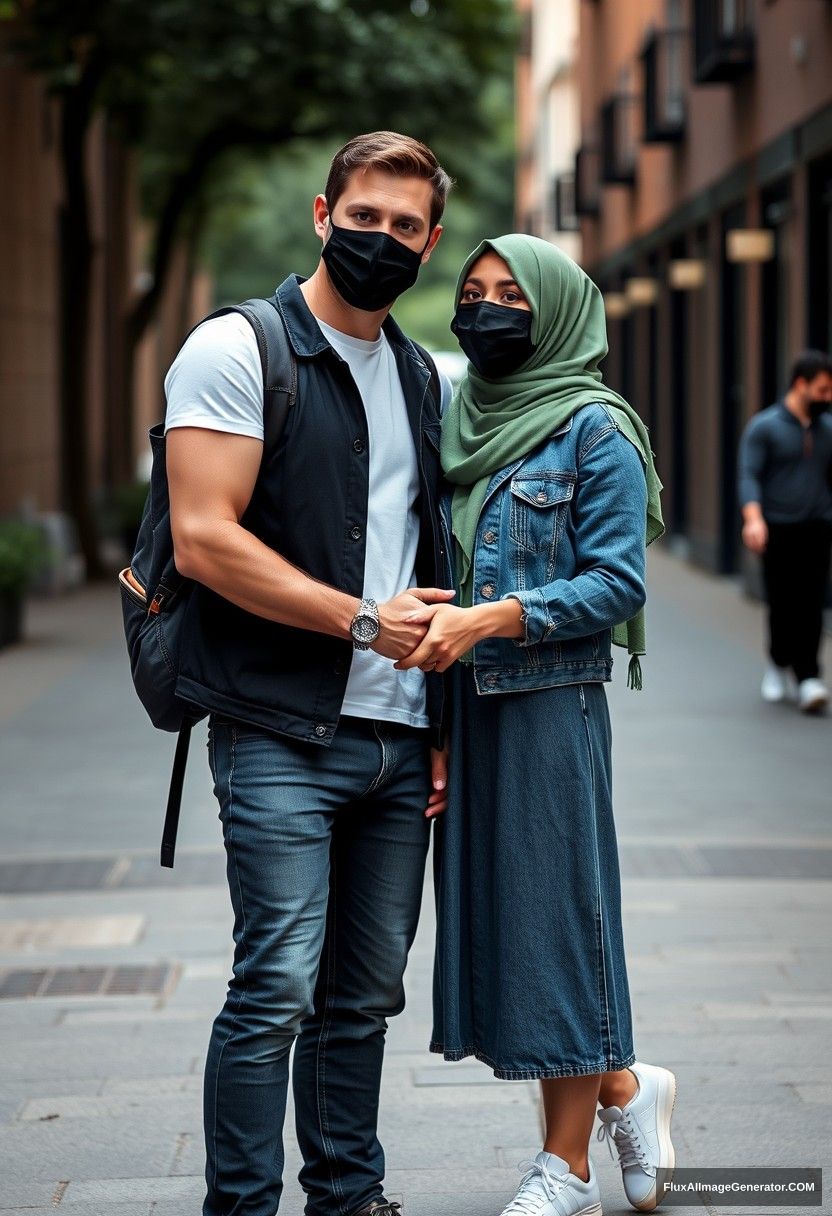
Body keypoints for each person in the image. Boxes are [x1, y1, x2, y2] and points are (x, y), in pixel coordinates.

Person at [164, 131, 455, 1216]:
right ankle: (241, 1207)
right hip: (279, 725)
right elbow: (204, 536)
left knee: (363, 994)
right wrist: (361, 623)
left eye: (406, 226)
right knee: (276, 982)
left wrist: (432, 726)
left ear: (429, 244)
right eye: (364, 217)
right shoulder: (239, 347)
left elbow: (421, 551)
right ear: (322, 215)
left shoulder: (420, 374)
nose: (382, 239)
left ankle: (348, 1195)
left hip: (395, 737)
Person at [398, 234, 676, 1215]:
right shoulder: (454, 417)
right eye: (471, 292)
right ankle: (624, 1088)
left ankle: (564, 1168)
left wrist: (496, 617)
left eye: (509, 294)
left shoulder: (595, 428)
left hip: (549, 705)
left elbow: (618, 580)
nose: (484, 309)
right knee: (511, 934)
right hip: (463, 713)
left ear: (555, 308)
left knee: (555, 925)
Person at [738, 350, 832, 714]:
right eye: (823, 390)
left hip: (818, 528)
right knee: (781, 601)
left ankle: (809, 676)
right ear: (800, 385)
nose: (828, 397)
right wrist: (753, 519)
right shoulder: (765, 427)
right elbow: (749, 475)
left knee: (812, 602)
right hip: (777, 528)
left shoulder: (826, 430)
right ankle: (778, 664)